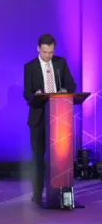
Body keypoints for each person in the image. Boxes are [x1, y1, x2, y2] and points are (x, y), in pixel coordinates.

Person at [23, 34, 76, 204]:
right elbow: (27, 93)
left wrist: (64, 90)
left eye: (51, 52)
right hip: (38, 117)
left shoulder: (60, 63)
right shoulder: (30, 66)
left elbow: (72, 85)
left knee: (60, 156)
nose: (48, 56)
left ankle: (61, 193)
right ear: (38, 48)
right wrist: (35, 95)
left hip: (59, 117)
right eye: (45, 52)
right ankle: (37, 194)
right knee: (38, 156)